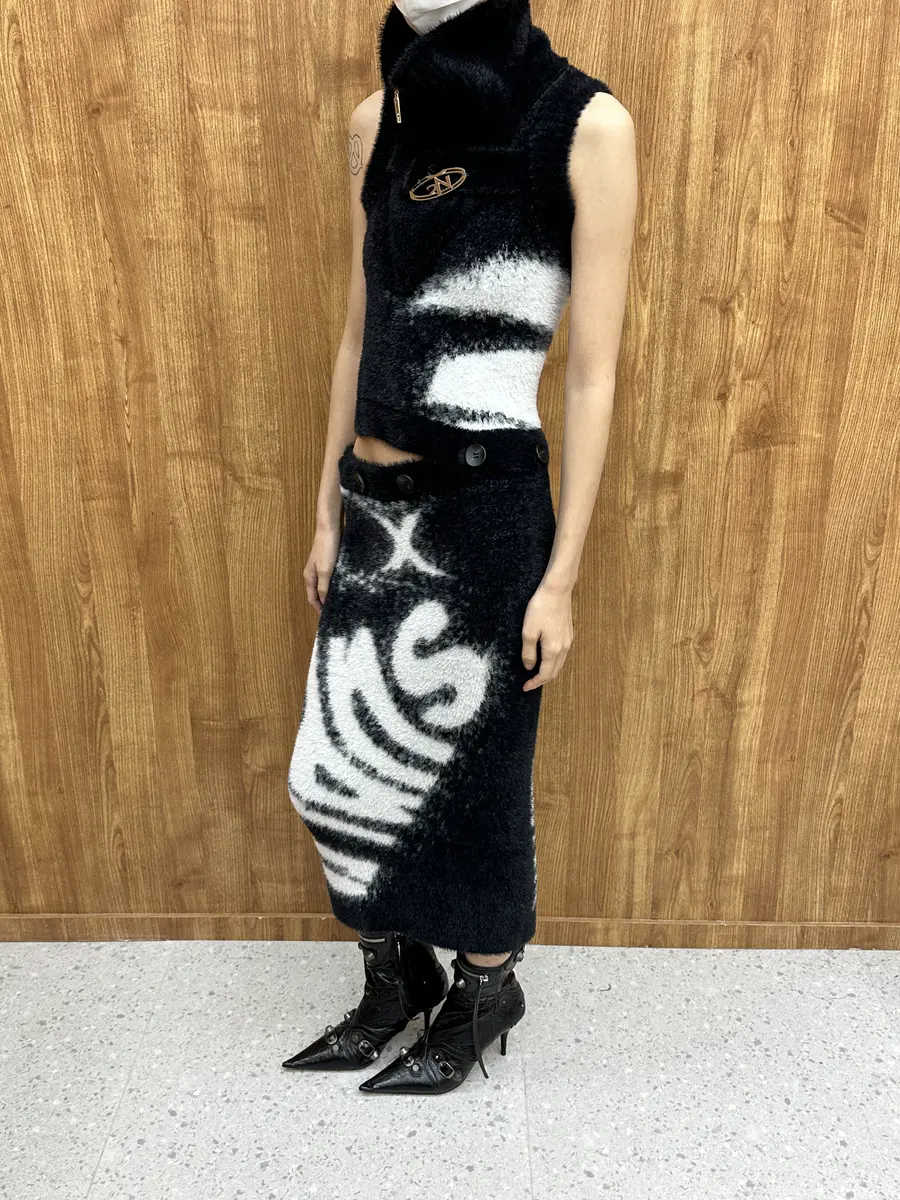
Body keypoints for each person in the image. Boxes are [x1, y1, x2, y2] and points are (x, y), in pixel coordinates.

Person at [282, 0, 636, 1095]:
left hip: (490, 513)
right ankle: (396, 978)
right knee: (334, 772)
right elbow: (359, 331)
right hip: (375, 505)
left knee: (481, 780)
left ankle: (486, 987)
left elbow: (592, 372)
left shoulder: (585, 122)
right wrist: (327, 509)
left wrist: (562, 577)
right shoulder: (375, 119)